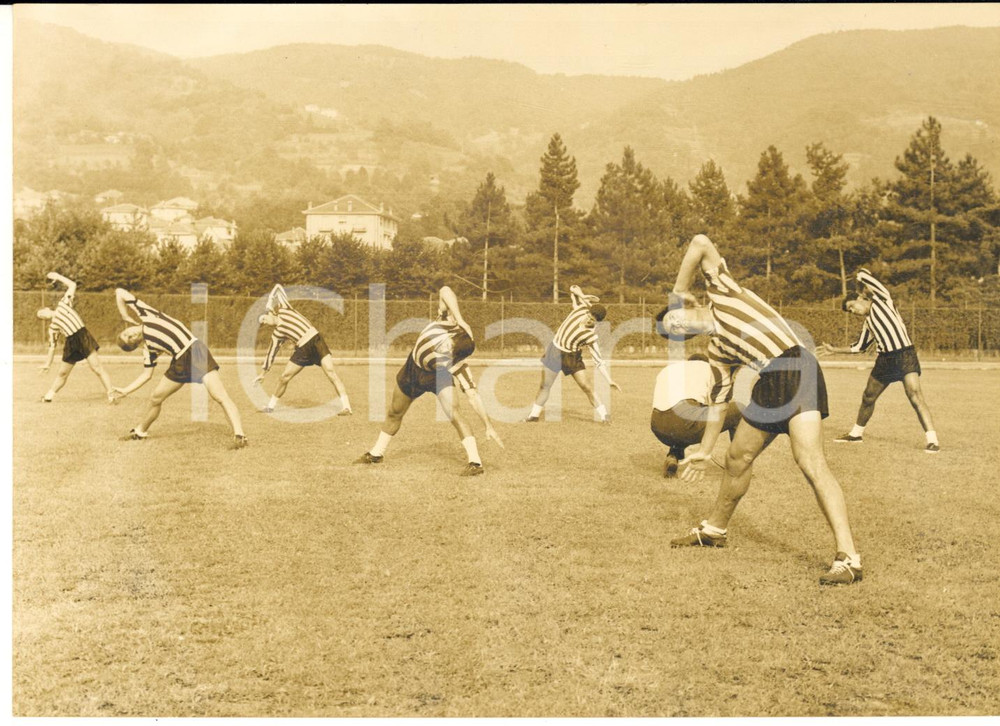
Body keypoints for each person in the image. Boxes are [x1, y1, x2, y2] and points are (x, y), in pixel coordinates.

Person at [667, 234, 863, 586]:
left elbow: (700, 242)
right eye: (674, 331)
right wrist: (705, 451)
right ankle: (714, 530)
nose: (677, 325)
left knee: (810, 462)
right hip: (770, 382)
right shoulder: (717, 352)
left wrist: (678, 288)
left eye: (675, 318)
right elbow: (718, 404)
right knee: (737, 457)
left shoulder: (722, 290)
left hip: (796, 366)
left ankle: (849, 558)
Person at [356, 286, 503, 476]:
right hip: (412, 369)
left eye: (449, 351)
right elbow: (445, 290)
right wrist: (460, 319)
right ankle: (376, 454)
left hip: (436, 376)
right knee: (395, 412)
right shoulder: (447, 321)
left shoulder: (454, 363)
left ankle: (475, 463)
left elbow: (473, 396)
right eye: (447, 345)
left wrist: (488, 426)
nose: (444, 349)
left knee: (454, 413)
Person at [818, 268, 939, 453]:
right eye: (850, 311)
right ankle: (856, 434)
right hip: (885, 361)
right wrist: (834, 350)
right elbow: (859, 347)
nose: (853, 311)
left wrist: (859, 274)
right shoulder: (868, 323)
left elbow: (870, 280)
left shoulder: (883, 301)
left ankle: (932, 441)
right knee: (868, 396)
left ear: (860, 298)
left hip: (905, 355)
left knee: (915, 395)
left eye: (852, 306)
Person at [112, 288, 248, 448]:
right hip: (179, 362)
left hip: (196, 352)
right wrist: (126, 390)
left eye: (126, 333)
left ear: (127, 327)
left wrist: (124, 315)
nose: (131, 335)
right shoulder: (148, 349)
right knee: (155, 398)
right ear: (135, 345)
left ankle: (240, 436)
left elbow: (119, 292)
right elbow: (146, 375)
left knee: (219, 395)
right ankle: (140, 431)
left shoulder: (147, 314)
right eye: (129, 340)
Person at [526, 285, 621, 423]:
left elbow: (599, 361)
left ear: (596, 322)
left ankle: (604, 416)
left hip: (572, 357)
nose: (589, 319)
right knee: (544, 385)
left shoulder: (590, 336)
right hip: (555, 351)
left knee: (586, 386)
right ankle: (533, 416)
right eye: (590, 315)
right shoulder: (580, 310)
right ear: (588, 312)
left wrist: (609, 380)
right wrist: (581, 295)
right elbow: (573, 288)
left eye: (593, 319)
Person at [254, 283, 352, 415]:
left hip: (316, 341)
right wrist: (263, 373)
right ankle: (270, 407)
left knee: (331, 373)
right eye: (263, 323)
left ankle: (347, 407)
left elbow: (278, 287)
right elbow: (271, 354)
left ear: (270, 313)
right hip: (302, 349)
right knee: (284, 378)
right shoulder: (277, 334)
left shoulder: (284, 309)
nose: (264, 322)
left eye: (264, 319)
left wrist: (270, 302)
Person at [651, 354, 744, 478]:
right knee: (740, 409)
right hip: (684, 423)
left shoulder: (669, 369)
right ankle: (739, 466)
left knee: (682, 417)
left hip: (657, 426)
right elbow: (716, 406)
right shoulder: (711, 370)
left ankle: (673, 456)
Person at [36, 272, 116, 404]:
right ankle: (48, 397)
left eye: (42, 312)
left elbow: (72, 285)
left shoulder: (63, 304)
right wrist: (47, 364)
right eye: (41, 317)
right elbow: (52, 348)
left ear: (47, 308)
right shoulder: (52, 328)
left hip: (83, 337)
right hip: (71, 344)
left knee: (97, 368)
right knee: (62, 373)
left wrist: (57, 276)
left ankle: (111, 396)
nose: (42, 316)